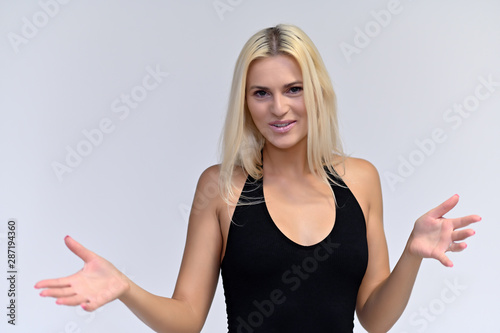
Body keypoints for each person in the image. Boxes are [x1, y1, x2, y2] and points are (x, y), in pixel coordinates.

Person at [35, 24, 480, 333]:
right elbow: (187, 318)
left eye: (293, 89)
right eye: (261, 93)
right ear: (245, 103)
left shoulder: (361, 180)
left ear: (317, 91)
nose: (279, 109)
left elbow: (374, 319)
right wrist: (126, 289)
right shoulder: (220, 188)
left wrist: (411, 256)